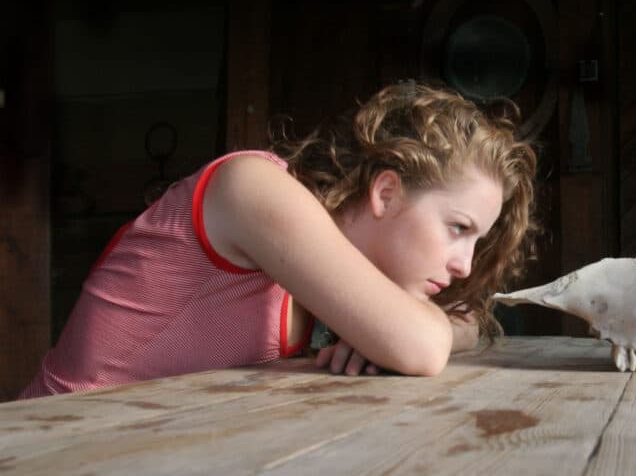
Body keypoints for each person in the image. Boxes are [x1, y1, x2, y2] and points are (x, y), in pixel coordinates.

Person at [19, 81, 537, 398]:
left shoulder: (326, 276)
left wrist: (417, 331)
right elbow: (424, 346)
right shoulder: (253, 187)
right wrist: (413, 333)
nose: (465, 265)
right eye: (458, 228)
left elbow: (467, 323)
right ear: (385, 193)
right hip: (40, 466)